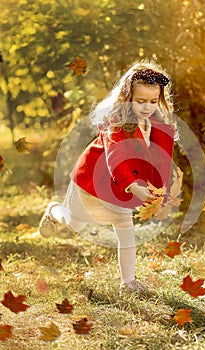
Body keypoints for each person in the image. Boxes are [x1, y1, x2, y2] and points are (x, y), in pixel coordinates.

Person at [39, 59, 176, 297]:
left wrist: (159, 191)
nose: (146, 107)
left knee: (125, 229)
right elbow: (116, 159)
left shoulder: (159, 125)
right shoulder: (117, 124)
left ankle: (128, 283)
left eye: (153, 101)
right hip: (94, 184)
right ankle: (54, 211)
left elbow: (161, 160)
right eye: (140, 101)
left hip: (120, 191)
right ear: (128, 97)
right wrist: (133, 186)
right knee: (74, 223)